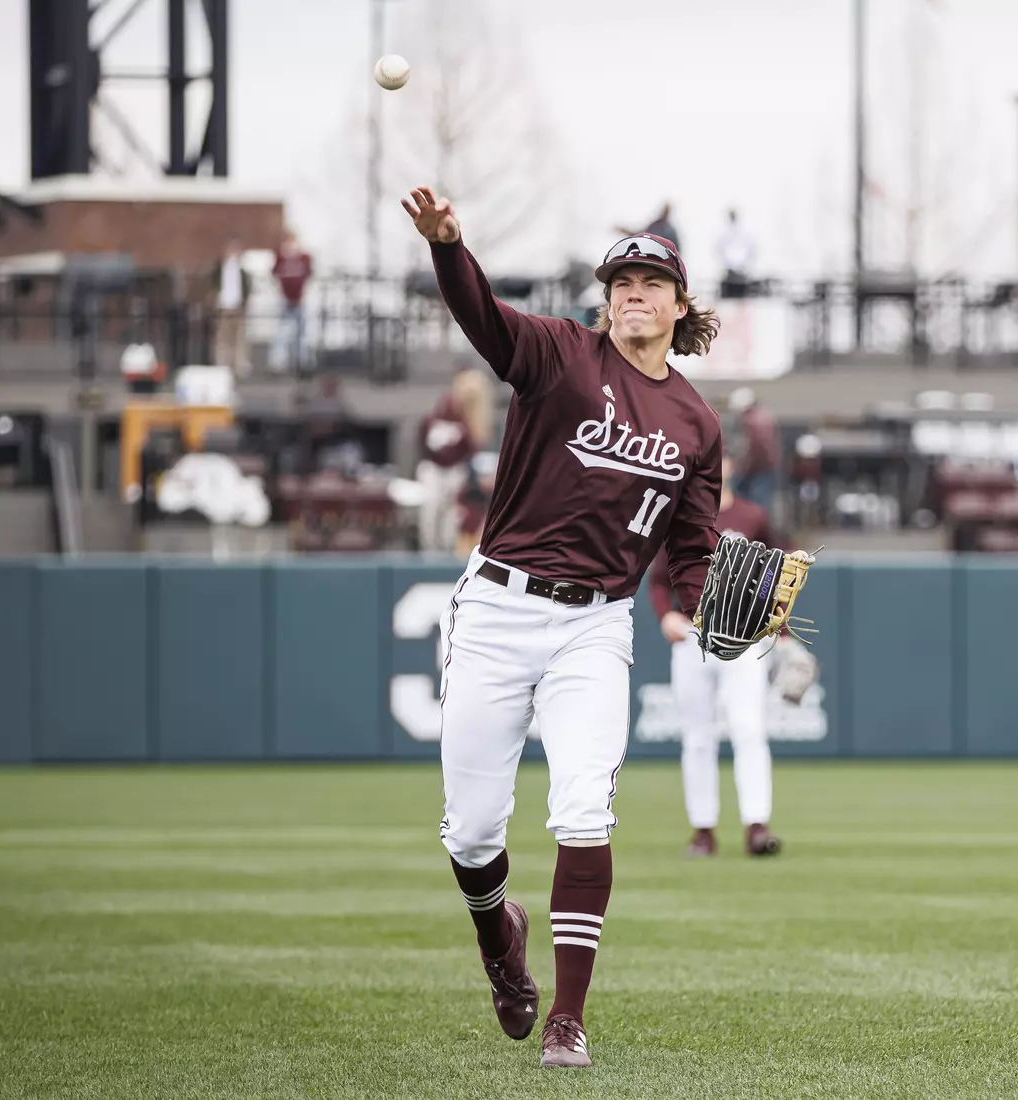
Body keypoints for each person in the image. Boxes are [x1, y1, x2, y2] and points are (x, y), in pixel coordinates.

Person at [401, 185, 723, 1070]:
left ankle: (567, 1018)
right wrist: (448, 247)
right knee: (470, 833)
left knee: (585, 812)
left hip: (596, 624)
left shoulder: (695, 421)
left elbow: (690, 548)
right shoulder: (559, 356)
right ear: (605, 297)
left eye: (652, 283)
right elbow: (483, 316)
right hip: (500, 604)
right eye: (621, 281)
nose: (634, 293)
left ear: (679, 304)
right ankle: (499, 942)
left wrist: (705, 609)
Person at [647, 455, 782, 860]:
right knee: (698, 736)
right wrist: (664, 614)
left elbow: (777, 574)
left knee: (748, 729)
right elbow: (656, 579)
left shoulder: (753, 515)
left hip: (743, 636)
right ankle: (703, 830)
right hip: (693, 633)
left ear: (734, 465)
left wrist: (783, 629)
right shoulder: (679, 514)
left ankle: (756, 826)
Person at [416, 366, 492, 554]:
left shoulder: (471, 421)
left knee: (451, 513)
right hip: (433, 469)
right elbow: (423, 439)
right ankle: (428, 551)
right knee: (431, 509)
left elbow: (472, 448)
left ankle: (447, 551)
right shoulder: (437, 414)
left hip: (456, 470)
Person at [726, 387, 778, 513]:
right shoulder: (765, 416)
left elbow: (756, 448)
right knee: (761, 506)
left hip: (755, 470)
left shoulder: (750, 421)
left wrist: (743, 469)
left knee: (748, 504)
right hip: (765, 468)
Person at [271, 230, 314, 373]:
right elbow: (274, 273)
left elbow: (309, 274)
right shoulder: (280, 257)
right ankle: (278, 363)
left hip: (300, 300)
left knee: (302, 334)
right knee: (282, 333)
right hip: (285, 299)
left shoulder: (304, 257)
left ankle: (303, 362)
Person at [211, 238, 249, 374]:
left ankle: (239, 365)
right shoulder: (218, 269)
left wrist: (244, 302)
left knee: (239, 338)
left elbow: (246, 288)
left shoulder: (242, 270)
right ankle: (221, 364)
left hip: (238, 307)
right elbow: (212, 286)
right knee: (222, 338)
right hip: (223, 308)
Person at [715, 208, 755, 299]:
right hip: (729, 270)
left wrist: (745, 264)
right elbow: (719, 249)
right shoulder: (723, 231)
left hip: (742, 269)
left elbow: (750, 248)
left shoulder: (745, 230)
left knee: (742, 298)